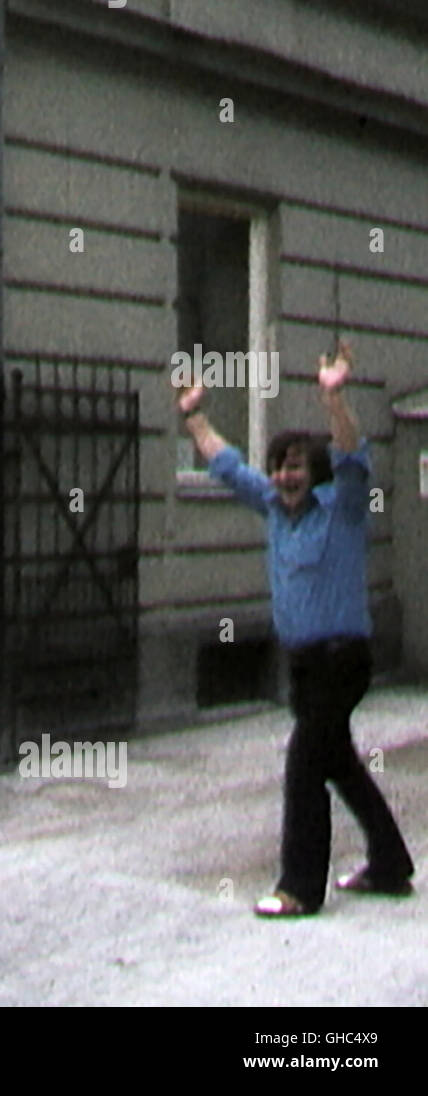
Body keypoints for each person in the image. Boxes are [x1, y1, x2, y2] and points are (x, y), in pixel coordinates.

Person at [179, 339, 414, 916]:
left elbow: (355, 455)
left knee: (304, 764)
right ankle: (390, 863)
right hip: (305, 663)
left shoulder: (343, 507)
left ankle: (300, 889)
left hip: (343, 658)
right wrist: (194, 416)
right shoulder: (274, 509)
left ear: (317, 475)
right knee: (337, 762)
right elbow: (226, 464)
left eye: (297, 467)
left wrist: (334, 400)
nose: (285, 476)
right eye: (280, 466)